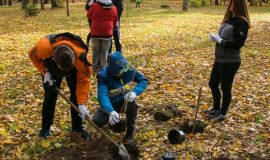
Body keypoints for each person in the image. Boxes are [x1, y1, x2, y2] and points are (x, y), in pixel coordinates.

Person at [28, 32, 92, 139]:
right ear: (53, 59)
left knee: (76, 97)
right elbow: (32, 55)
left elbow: (84, 81)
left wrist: (81, 104)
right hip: (51, 70)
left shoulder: (82, 59)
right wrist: (46, 72)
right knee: (50, 96)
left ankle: (77, 128)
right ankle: (45, 129)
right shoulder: (44, 48)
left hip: (74, 69)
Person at [206, 0, 250, 121]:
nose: (228, 4)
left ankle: (222, 113)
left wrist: (220, 41)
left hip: (230, 61)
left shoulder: (242, 23)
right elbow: (225, 36)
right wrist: (215, 38)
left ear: (237, 4)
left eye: (230, 2)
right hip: (220, 58)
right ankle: (216, 109)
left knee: (226, 88)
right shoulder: (230, 19)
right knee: (213, 83)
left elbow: (237, 44)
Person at [92, 52, 148, 144]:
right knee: (96, 121)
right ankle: (112, 121)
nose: (123, 73)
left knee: (132, 103)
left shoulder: (129, 70)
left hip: (124, 102)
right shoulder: (103, 76)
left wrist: (135, 92)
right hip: (110, 104)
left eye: (124, 71)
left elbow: (143, 80)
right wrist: (111, 111)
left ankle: (130, 132)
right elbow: (103, 96)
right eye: (120, 72)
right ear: (113, 71)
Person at [87, 0, 118, 74]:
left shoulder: (94, 6)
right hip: (107, 34)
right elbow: (115, 20)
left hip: (95, 32)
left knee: (95, 51)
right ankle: (102, 70)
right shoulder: (114, 8)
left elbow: (89, 16)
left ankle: (94, 69)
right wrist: (111, 28)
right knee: (104, 52)